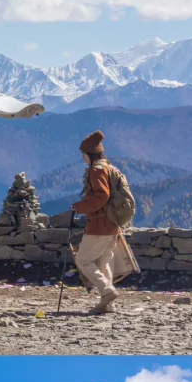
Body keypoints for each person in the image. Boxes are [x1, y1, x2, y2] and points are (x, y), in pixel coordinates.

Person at [68, 129, 137, 315]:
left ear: (89, 154)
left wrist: (80, 207)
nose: (83, 158)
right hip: (113, 223)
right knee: (103, 261)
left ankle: (107, 291)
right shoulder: (110, 168)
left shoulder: (96, 171)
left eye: (83, 155)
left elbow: (101, 196)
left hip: (99, 224)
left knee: (83, 259)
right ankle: (108, 304)